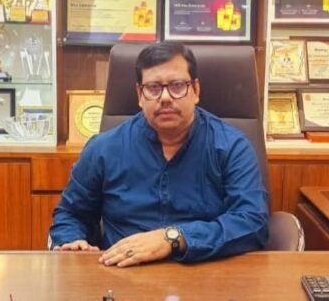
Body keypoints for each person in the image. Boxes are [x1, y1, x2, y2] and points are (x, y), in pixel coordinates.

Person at [50, 41, 269, 267]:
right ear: (140, 95)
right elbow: (71, 214)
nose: (165, 97)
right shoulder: (103, 149)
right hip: (121, 273)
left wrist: (173, 238)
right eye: (153, 88)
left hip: (207, 272)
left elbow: (252, 222)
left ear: (196, 90)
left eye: (177, 86)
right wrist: (72, 241)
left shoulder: (232, 147)